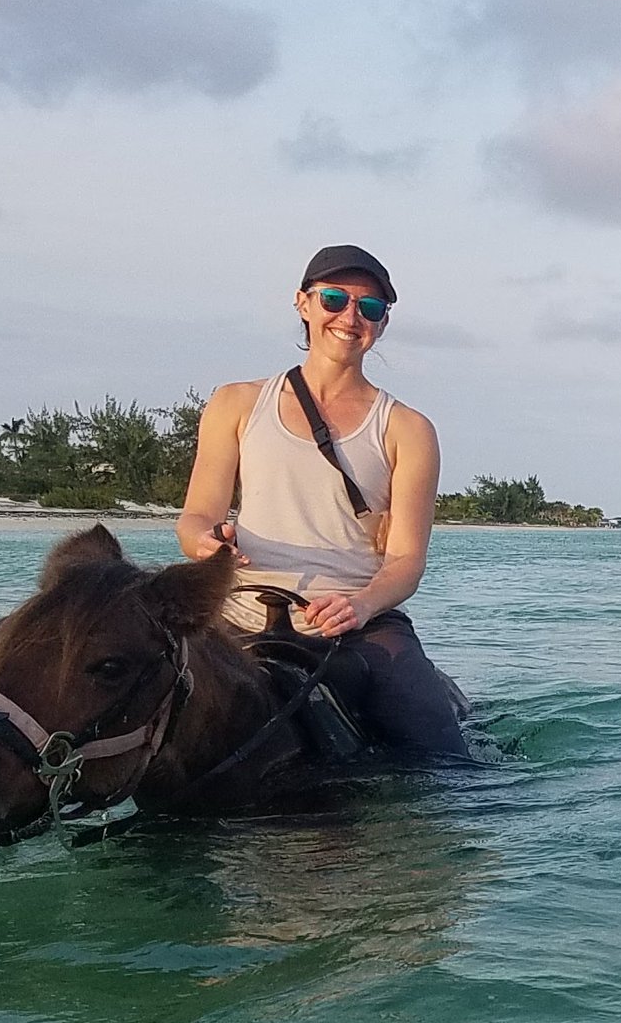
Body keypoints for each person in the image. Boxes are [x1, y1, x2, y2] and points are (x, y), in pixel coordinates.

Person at [175, 244, 469, 759]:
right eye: (334, 299)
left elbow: (405, 562)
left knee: (440, 759)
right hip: (239, 614)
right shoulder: (235, 403)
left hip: (360, 624)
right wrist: (205, 541)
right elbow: (196, 517)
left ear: (381, 323)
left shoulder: (409, 429)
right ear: (303, 304)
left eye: (369, 308)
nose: (350, 317)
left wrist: (360, 605)